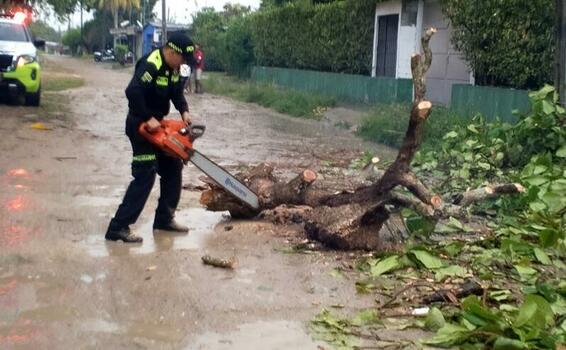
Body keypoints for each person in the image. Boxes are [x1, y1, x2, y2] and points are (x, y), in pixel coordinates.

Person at [105, 32, 196, 243]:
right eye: (182, 58)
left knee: (173, 167)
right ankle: (117, 227)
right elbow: (132, 91)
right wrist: (147, 116)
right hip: (140, 125)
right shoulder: (152, 63)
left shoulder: (173, 69)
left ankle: (164, 218)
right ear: (172, 51)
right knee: (146, 173)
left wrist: (184, 111)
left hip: (159, 127)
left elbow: (176, 93)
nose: (183, 63)